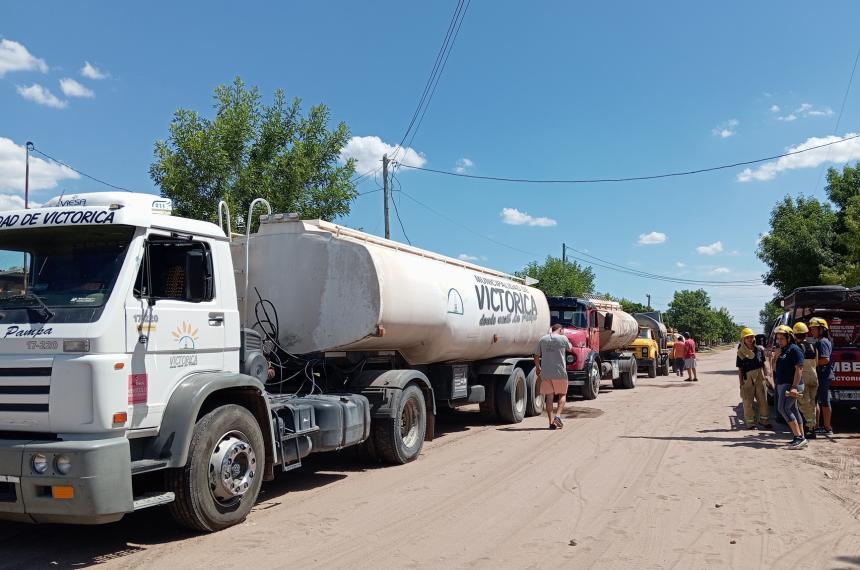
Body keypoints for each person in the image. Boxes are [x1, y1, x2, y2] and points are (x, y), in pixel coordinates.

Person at [773, 325, 807, 449]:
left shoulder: (794, 350)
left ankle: (799, 437)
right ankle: (800, 437)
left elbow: (799, 369)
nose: (779, 341)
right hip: (784, 384)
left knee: (783, 408)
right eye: (778, 338)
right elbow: (774, 369)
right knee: (793, 410)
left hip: (791, 385)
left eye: (782, 338)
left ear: (789, 337)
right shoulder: (783, 350)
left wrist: (794, 387)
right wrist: (776, 356)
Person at [534, 323, 573, 430]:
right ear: (560, 330)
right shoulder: (563, 338)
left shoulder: (543, 339)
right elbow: (570, 348)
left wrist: (538, 367)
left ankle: (551, 422)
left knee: (549, 397)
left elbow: (536, 355)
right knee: (562, 394)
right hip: (560, 372)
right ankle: (558, 416)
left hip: (546, 372)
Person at [736, 327, 770, 429]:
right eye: (747, 338)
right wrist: (741, 383)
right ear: (743, 340)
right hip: (747, 379)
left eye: (751, 337)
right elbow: (740, 369)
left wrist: (767, 375)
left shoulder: (759, 350)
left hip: (760, 377)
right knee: (748, 402)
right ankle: (750, 423)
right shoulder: (740, 352)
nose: (750, 339)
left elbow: (764, 364)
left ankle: (764, 421)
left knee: (763, 400)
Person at [809, 317, 835, 436]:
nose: (812, 331)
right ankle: (817, 426)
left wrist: (811, 363)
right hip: (823, 375)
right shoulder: (822, 341)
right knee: (818, 401)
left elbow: (825, 360)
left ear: (822, 329)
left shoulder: (822, 342)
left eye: (814, 329)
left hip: (823, 376)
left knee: (824, 401)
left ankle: (827, 428)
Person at [793, 322, 819, 439]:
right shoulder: (813, 346)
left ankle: (809, 429)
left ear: (794, 334)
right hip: (814, 377)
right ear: (805, 333)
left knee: (804, 404)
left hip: (804, 378)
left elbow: (797, 366)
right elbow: (816, 362)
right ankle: (812, 425)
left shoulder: (796, 348)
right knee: (813, 403)